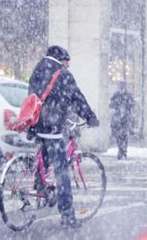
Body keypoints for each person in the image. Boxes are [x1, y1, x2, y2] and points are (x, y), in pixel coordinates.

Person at [28, 45, 100, 228]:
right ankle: (67, 214)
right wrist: (90, 116)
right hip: (52, 127)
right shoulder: (62, 74)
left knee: (44, 153)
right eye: (67, 62)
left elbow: (32, 96)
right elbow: (77, 98)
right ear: (62, 59)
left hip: (37, 124)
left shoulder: (38, 68)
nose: (68, 66)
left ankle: (40, 185)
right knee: (62, 171)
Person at [109, 81, 134, 160]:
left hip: (125, 118)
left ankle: (124, 152)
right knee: (118, 136)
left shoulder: (128, 95)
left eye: (122, 85)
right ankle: (120, 151)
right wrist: (116, 104)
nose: (121, 87)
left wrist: (128, 106)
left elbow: (132, 105)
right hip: (117, 118)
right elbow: (110, 105)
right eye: (120, 85)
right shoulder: (115, 95)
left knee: (125, 136)